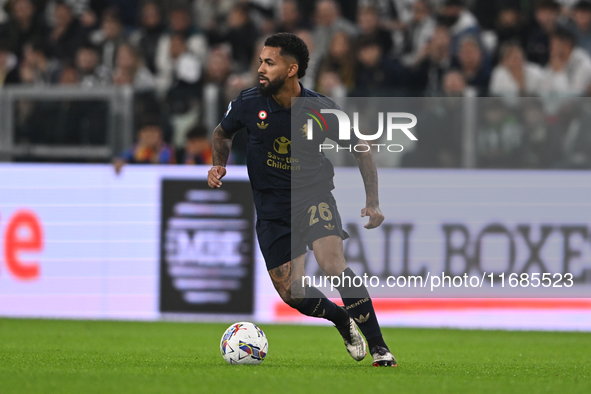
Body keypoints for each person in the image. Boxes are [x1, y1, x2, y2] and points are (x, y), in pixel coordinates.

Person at [207, 32, 396, 367]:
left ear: (291, 69)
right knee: (293, 293)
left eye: (269, 62)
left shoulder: (320, 109)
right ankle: (341, 320)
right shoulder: (248, 103)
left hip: (312, 197)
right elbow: (223, 133)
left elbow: (360, 147)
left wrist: (373, 200)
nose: (260, 68)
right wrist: (218, 164)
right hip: (270, 209)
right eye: (261, 61)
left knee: (332, 264)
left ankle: (381, 349)